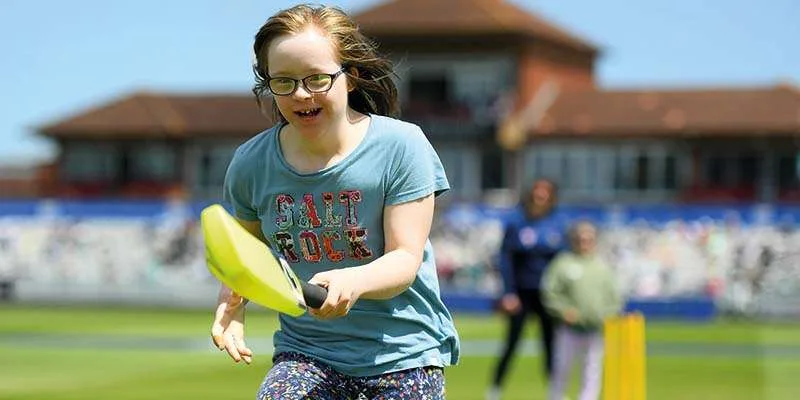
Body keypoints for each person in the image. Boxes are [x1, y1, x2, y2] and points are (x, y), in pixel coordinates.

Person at [208, 4, 460, 400]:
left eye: (317, 78)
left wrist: (352, 281)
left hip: (402, 355)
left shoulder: (402, 146)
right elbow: (243, 253)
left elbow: (405, 259)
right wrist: (233, 302)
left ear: (350, 76)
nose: (301, 93)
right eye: (284, 81)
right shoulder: (251, 163)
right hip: (306, 352)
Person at [487, 178, 565, 400]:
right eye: (537, 192)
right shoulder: (517, 222)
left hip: (548, 296)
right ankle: (494, 390)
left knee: (551, 344)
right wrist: (508, 292)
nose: (540, 197)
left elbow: (563, 262)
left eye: (545, 193)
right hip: (521, 293)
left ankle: (555, 392)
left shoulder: (557, 223)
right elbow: (506, 259)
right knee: (512, 343)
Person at [543, 221, 624, 400]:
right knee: (561, 372)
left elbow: (615, 298)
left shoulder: (602, 266)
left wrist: (606, 315)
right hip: (568, 329)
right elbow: (549, 293)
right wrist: (562, 310)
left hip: (594, 330)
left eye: (588, 239)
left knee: (591, 375)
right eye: (580, 239)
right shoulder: (563, 263)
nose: (584, 243)